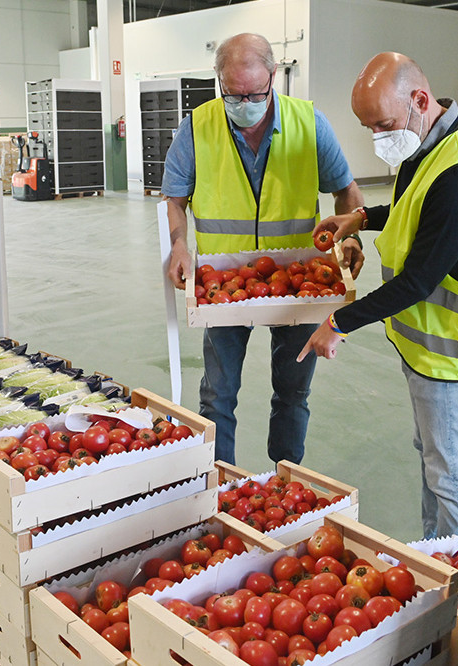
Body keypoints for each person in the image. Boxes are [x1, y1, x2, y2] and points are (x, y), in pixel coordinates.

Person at [298, 53, 458, 539]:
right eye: (368, 128)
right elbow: (413, 209)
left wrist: (338, 323)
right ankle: (435, 549)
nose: (378, 138)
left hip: (452, 352)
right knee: (435, 458)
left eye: (383, 124)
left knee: (451, 473)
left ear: (419, 99)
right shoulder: (430, 139)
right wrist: (361, 218)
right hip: (428, 347)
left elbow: (416, 281)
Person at [163, 33, 364, 466]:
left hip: (298, 280)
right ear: (219, 81)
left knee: (293, 392)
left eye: (255, 93)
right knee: (218, 396)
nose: (244, 103)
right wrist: (179, 243)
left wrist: (350, 236)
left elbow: (347, 192)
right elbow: (175, 197)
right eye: (233, 94)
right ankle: (218, 488)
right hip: (223, 283)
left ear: (274, 76)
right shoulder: (198, 127)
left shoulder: (308, 123)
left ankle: (283, 481)